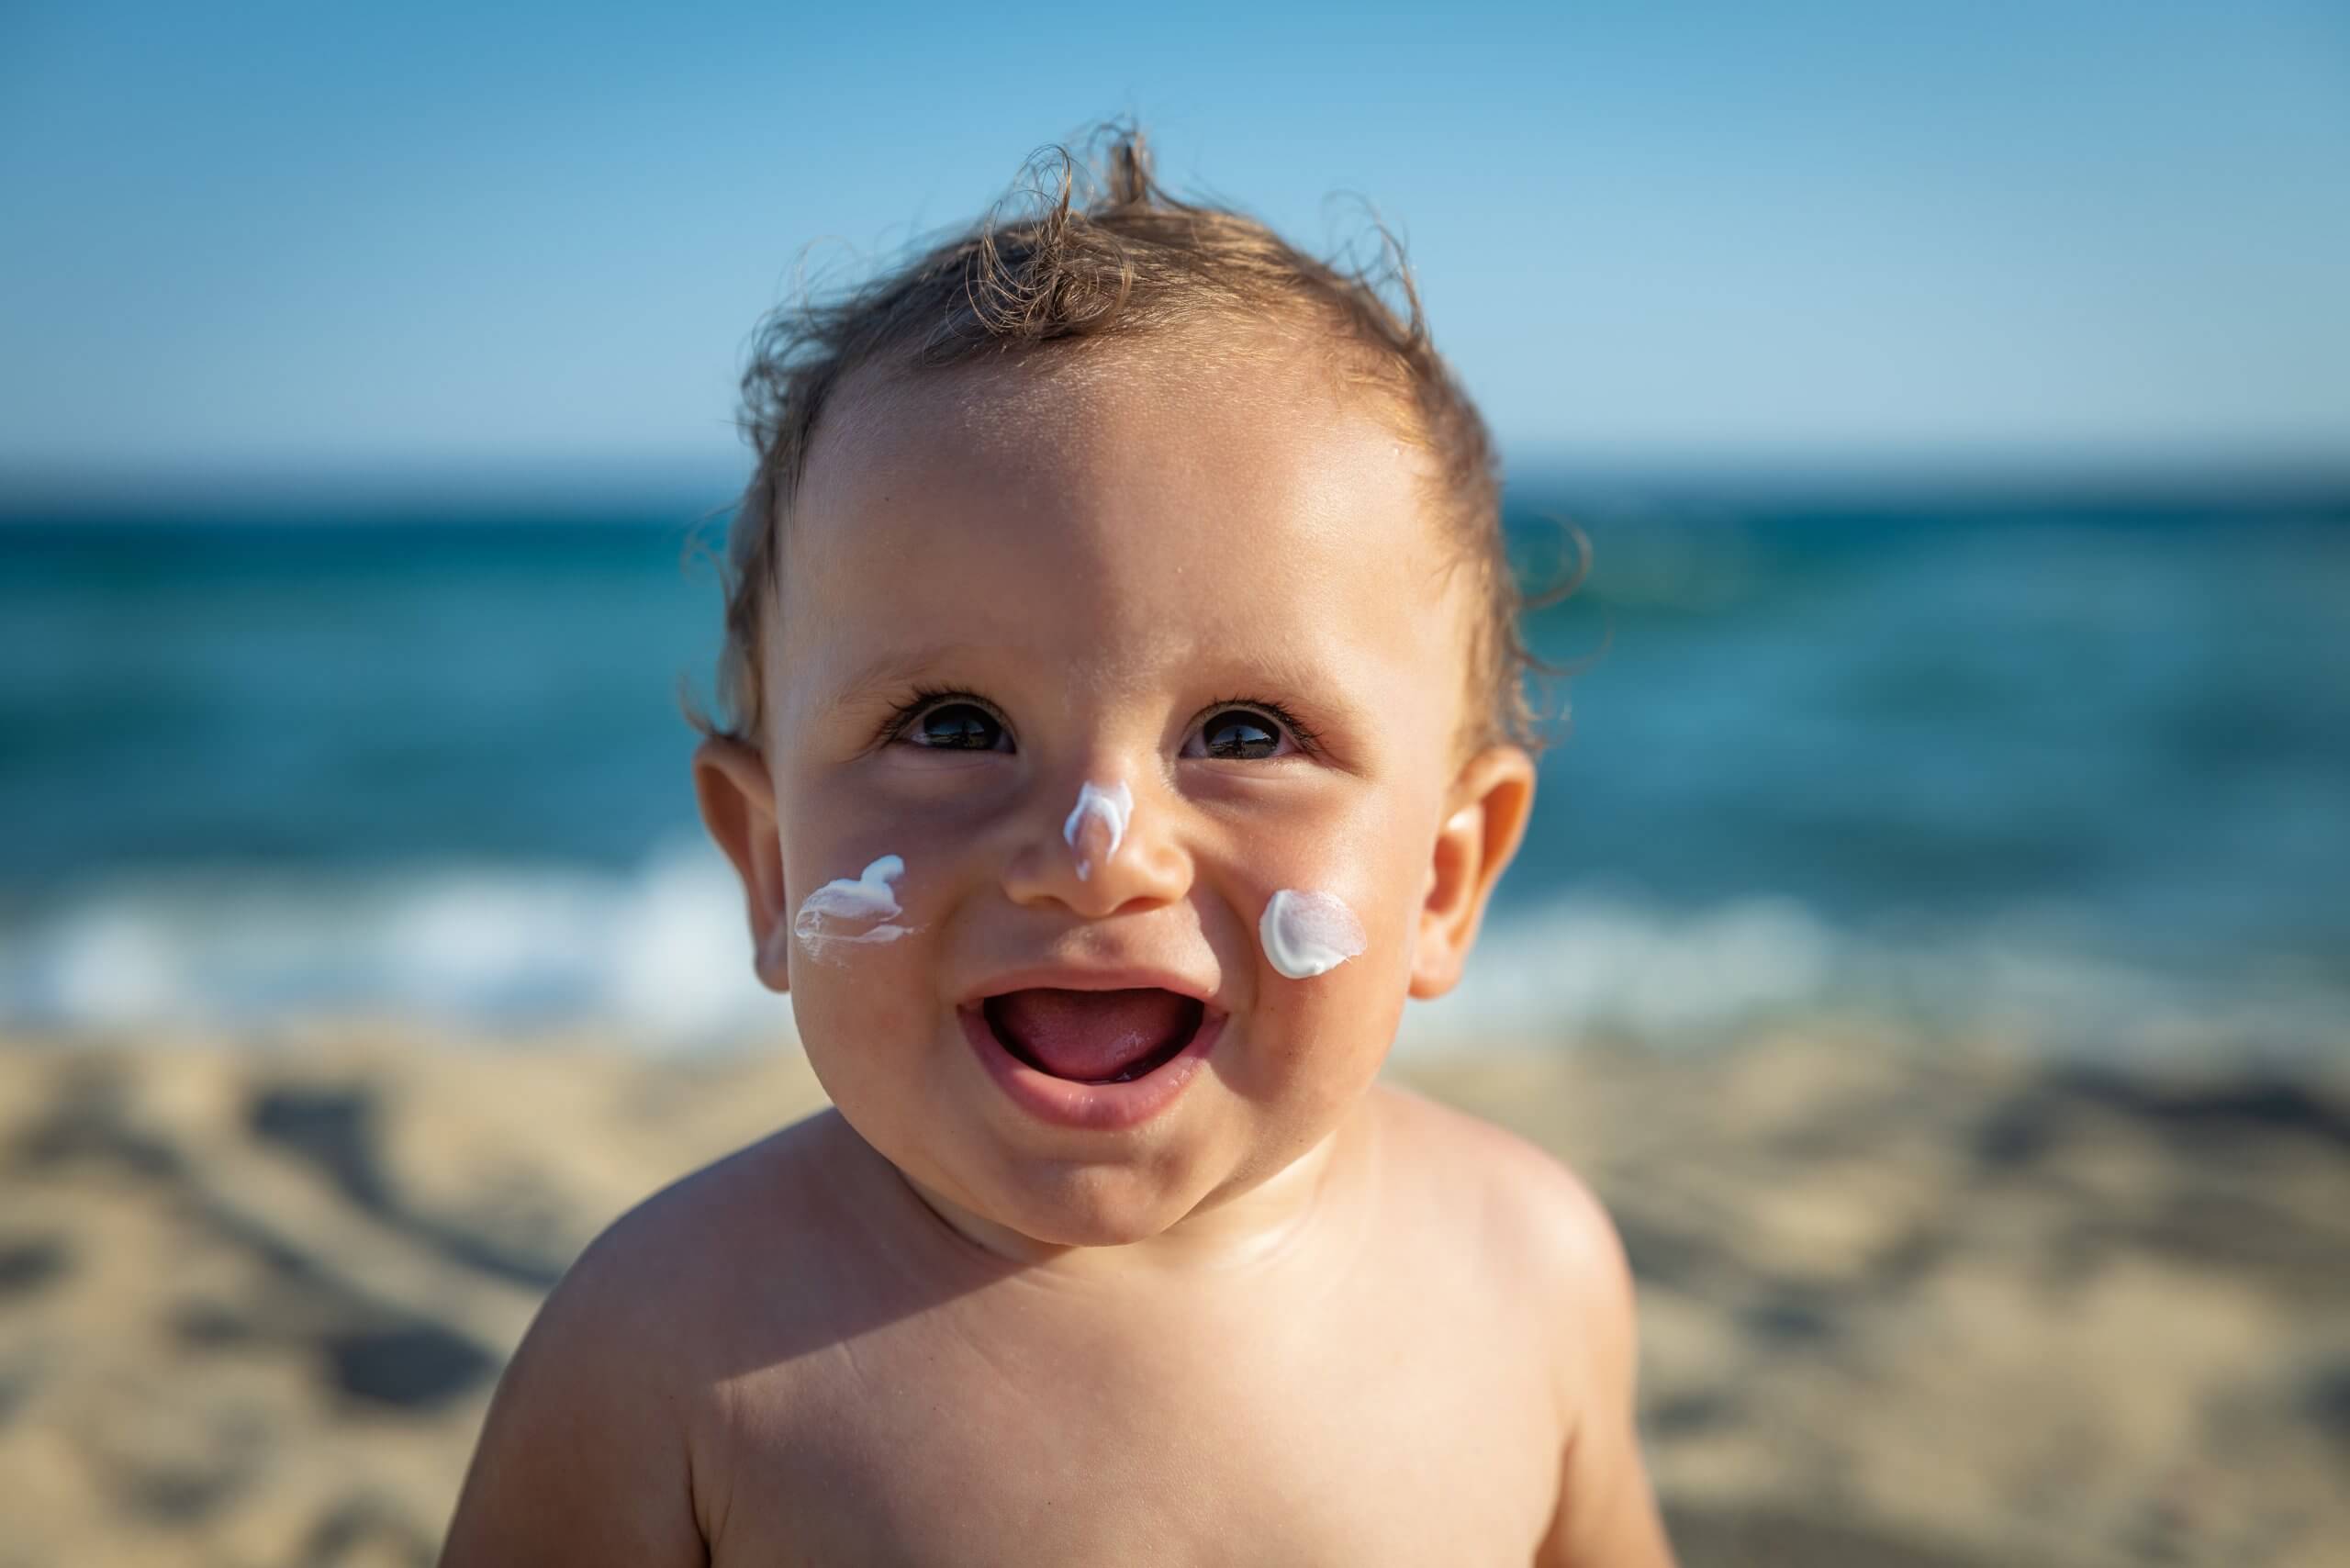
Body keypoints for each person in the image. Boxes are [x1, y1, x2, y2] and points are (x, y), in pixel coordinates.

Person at [440, 125, 1678, 1566]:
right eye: (956, 725)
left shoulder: (1527, 1270)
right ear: (771, 869)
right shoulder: (671, 1343)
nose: (1097, 855)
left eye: (1248, 734)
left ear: (1447, 881)